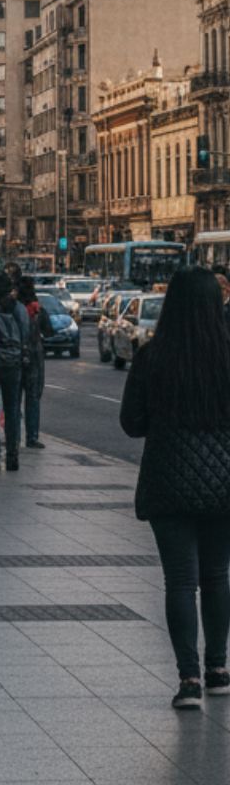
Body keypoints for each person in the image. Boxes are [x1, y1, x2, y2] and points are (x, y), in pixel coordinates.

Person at [120, 267, 230, 710]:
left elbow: (131, 424)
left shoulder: (152, 356)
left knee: (181, 581)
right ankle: (219, 668)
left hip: (168, 479)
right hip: (224, 480)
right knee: (218, 576)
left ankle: (188, 680)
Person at [0, 273, 29, 474]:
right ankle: (12, 456)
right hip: (13, 364)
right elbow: (25, 333)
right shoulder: (19, 308)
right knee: (12, 411)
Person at [16, 275, 52, 450]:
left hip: (15, 356)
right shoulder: (38, 309)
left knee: (13, 400)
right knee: (33, 398)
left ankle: (14, 436)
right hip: (35, 357)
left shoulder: (13, 308)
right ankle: (32, 437)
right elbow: (49, 330)